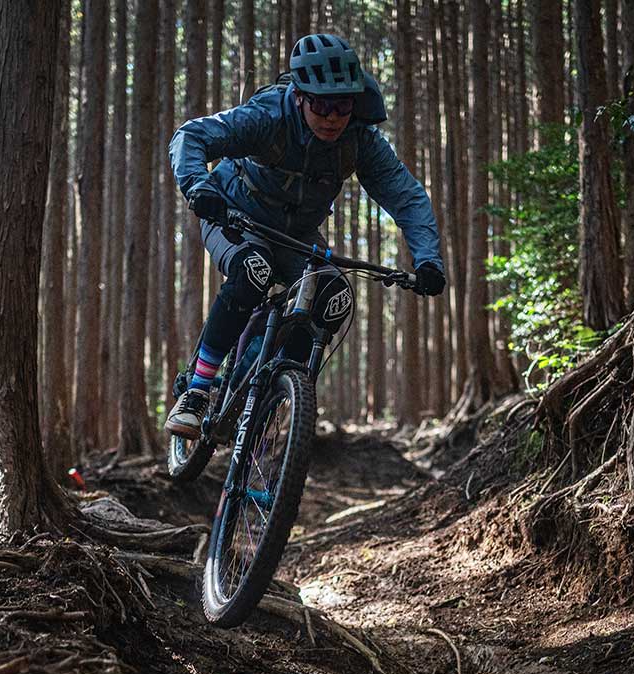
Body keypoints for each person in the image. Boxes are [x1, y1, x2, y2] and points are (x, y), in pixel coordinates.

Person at [164, 33, 445, 439]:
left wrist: (428, 260)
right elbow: (191, 136)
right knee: (252, 272)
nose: (333, 117)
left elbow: (407, 198)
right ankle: (197, 390)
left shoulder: (360, 140)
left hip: (295, 235)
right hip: (235, 215)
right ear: (299, 96)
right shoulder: (268, 116)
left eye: (343, 105)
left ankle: (268, 395)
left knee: (333, 300)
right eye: (322, 105)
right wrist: (198, 187)